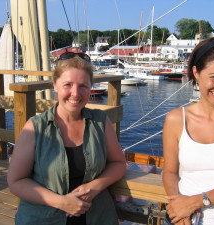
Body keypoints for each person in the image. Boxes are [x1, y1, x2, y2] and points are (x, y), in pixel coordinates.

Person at [7, 51, 126, 225]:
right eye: (67, 85)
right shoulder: (35, 127)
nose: (75, 93)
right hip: (44, 219)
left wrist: (93, 187)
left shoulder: (100, 121)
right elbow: (16, 181)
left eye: (83, 86)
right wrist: (62, 202)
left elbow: (118, 163)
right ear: (55, 85)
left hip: (97, 217)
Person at [162, 36, 214, 225]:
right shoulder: (175, 119)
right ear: (196, 73)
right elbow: (170, 172)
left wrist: (194, 202)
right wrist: (178, 207)